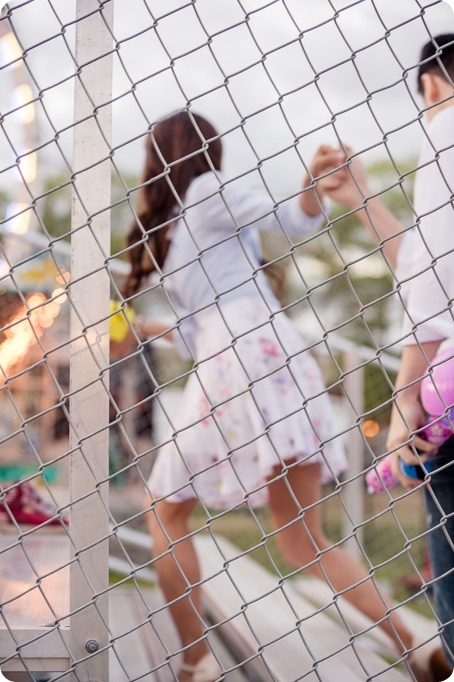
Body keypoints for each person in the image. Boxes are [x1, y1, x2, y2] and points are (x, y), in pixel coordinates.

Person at [123, 111, 432, 682]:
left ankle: (196, 661)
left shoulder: (198, 198)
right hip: (277, 360)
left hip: (236, 363)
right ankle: (412, 640)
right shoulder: (193, 214)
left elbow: (289, 217)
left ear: (157, 154)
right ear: (206, 150)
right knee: (303, 542)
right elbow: (200, 323)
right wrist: (153, 329)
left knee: (165, 513)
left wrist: (312, 187)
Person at [325, 33, 454, 679]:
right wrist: (364, 201)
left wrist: (405, 399)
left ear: (432, 84)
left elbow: (431, 280)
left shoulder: (448, 124)